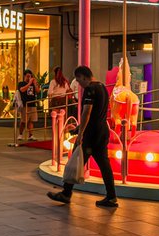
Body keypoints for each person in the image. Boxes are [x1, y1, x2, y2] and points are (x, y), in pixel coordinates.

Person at [47, 65, 118, 208]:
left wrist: (81, 133)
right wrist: (79, 127)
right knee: (104, 164)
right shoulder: (102, 87)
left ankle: (66, 193)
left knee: (75, 159)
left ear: (84, 77)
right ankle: (111, 196)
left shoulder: (90, 89)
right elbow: (98, 112)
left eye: (79, 80)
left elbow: (87, 112)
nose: (79, 84)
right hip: (102, 130)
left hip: (91, 133)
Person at [48, 67, 72, 170]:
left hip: (57, 101)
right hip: (63, 101)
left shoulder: (54, 82)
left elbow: (50, 92)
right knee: (62, 118)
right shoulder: (63, 82)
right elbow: (68, 91)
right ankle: (61, 133)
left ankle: (58, 133)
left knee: (57, 119)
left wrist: (52, 97)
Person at [17, 69, 39, 141]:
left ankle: (31, 135)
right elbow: (22, 90)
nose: (29, 78)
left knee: (31, 121)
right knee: (23, 121)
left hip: (32, 104)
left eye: (30, 76)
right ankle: (20, 134)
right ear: (24, 76)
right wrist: (29, 83)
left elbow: (38, 91)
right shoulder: (21, 83)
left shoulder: (33, 83)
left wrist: (35, 83)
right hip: (25, 104)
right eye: (27, 76)